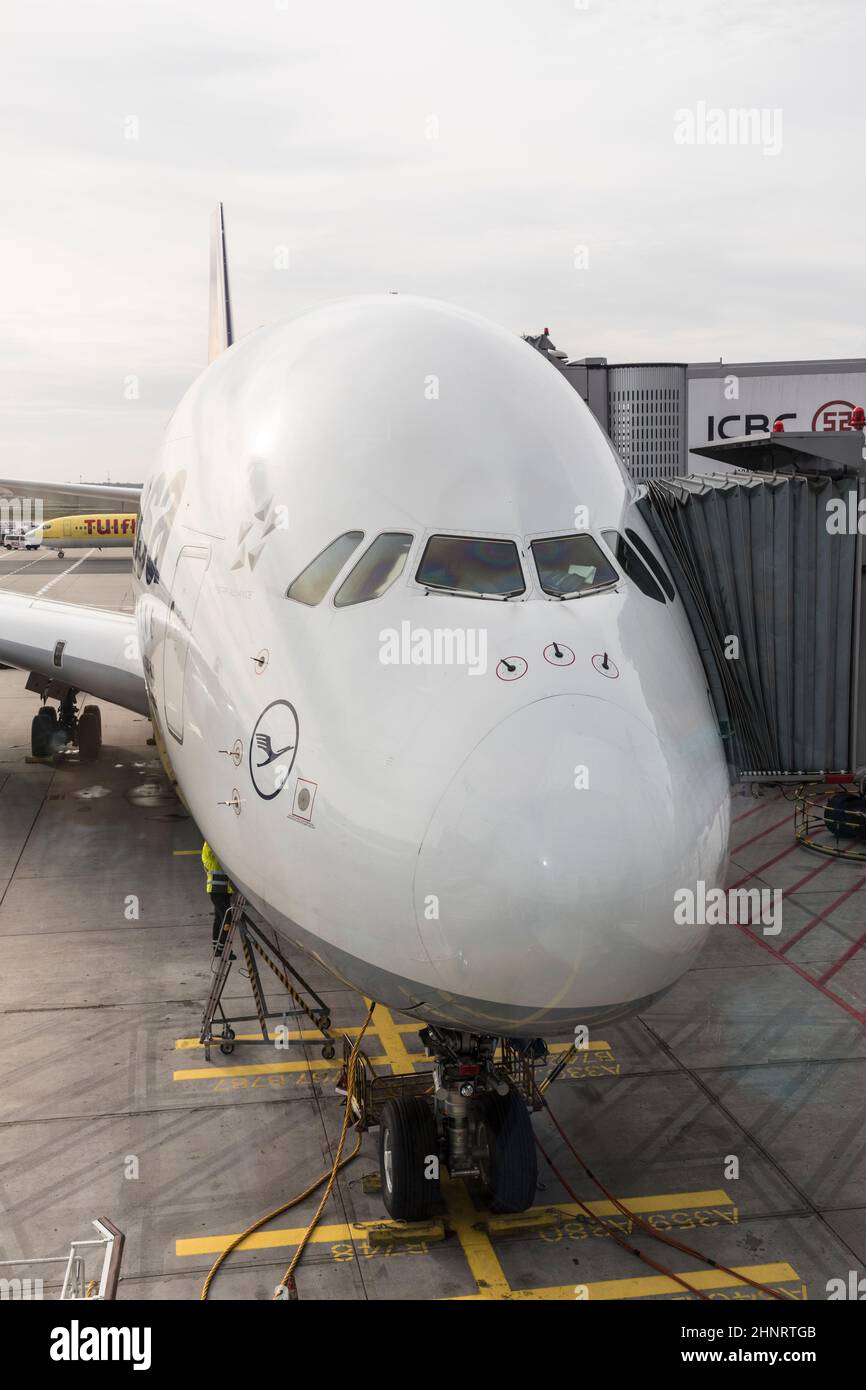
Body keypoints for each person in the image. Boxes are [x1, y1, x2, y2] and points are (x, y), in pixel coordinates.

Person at [201, 841, 235, 955]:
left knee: (219, 919)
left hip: (222, 891)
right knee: (227, 919)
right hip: (217, 891)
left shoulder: (215, 852)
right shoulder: (210, 847)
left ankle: (217, 949)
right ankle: (224, 950)